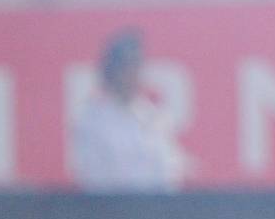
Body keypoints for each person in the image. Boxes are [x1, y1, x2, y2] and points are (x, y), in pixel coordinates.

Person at [68, 30, 188, 191]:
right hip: (109, 211)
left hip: (152, 210)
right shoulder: (90, 120)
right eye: (125, 66)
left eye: (136, 65)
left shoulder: (154, 117)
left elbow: (168, 172)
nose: (131, 73)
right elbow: (92, 178)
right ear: (111, 71)